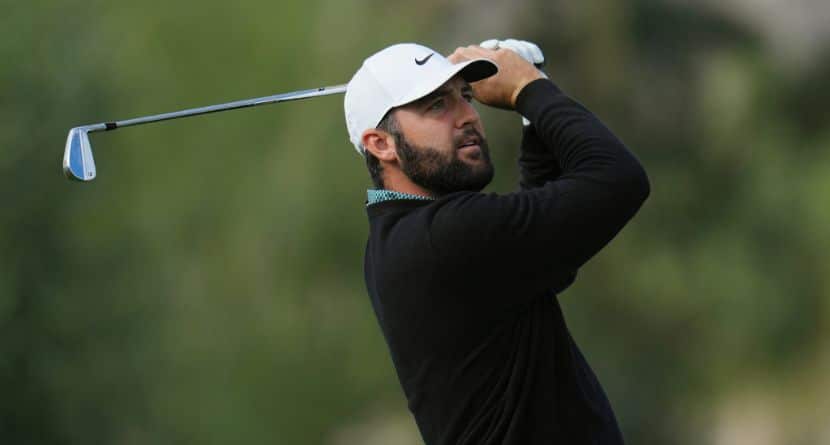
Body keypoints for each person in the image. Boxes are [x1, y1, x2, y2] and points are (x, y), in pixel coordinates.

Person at [343, 40, 650, 445]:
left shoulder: (401, 237)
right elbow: (618, 179)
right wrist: (529, 88)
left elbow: (547, 258)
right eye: (437, 105)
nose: (468, 116)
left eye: (465, 97)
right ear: (381, 144)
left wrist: (533, 117)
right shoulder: (446, 236)